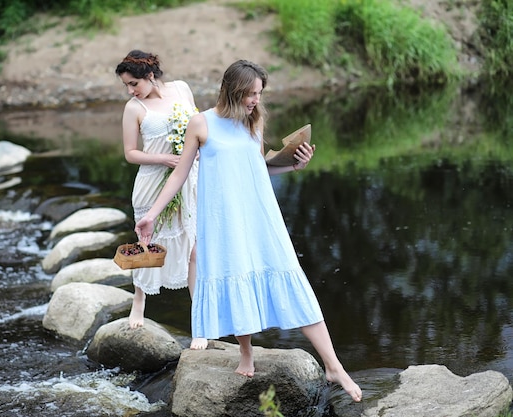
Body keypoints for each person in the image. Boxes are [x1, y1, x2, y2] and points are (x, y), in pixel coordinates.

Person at [134, 59, 363, 402]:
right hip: (223, 219)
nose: (256, 99)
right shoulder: (201, 123)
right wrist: (151, 214)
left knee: (292, 279)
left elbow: (258, 168)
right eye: (251, 93)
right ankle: (246, 353)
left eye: (259, 93)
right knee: (234, 274)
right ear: (232, 90)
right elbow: (180, 173)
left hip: (260, 215)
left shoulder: (252, 123)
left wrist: (293, 164)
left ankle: (334, 366)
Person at [115, 50, 208, 350]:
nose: (130, 90)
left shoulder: (181, 89)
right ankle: (139, 301)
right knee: (147, 243)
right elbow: (131, 153)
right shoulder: (133, 108)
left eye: (133, 83)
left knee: (194, 248)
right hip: (152, 181)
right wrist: (165, 159)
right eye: (127, 85)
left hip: (187, 179)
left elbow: (198, 128)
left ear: (150, 75)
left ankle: (200, 324)